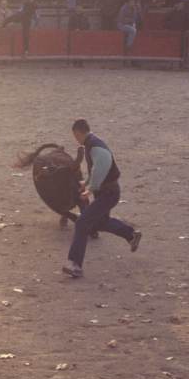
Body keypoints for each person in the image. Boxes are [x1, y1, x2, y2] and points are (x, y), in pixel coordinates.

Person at [62, 119, 141, 279]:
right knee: (100, 222)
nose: (75, 139)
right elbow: (97, 168)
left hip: (108, 193)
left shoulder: (94, 146)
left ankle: (75, 264)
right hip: (108, 192)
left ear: (78, 133)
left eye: (75, 136)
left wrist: (90, 189)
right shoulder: (93, 144)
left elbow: (102, 166)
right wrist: (88, 183)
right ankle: (131, 235)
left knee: (82, 222)